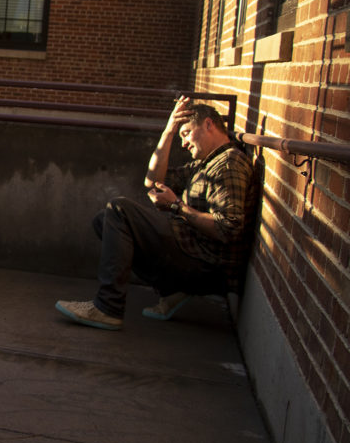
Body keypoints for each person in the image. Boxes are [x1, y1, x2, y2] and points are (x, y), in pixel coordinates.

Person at [55, 96, 256, 330]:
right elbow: (152, 181)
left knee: (119, 210)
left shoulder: (229, 164)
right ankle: (174, 290)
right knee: (104, 220)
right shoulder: (205, 164)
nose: (184, 144)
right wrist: (169, 131)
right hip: (193, 251)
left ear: (209, 125)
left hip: (208, 266)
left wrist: (176, 207)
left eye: (186, 133)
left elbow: (228, 229)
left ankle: (107, 308)